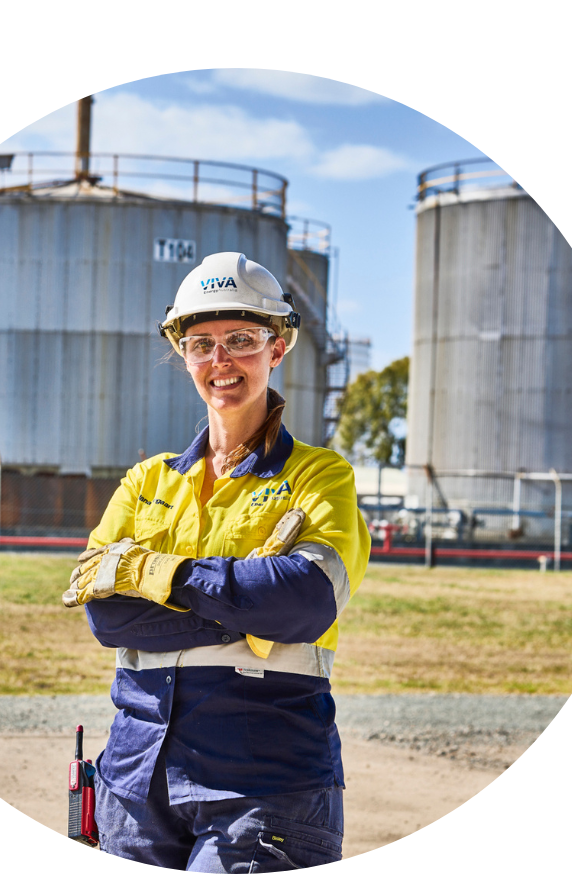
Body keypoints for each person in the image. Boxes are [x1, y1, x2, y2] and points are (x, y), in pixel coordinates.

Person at [62, 251, 370, 871]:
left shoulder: (319, 476)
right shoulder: (146, 481)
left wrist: (162, 574)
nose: (220, 360)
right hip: (135, 783)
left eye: (241, 340)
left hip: (262, 785)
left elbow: (305, 601)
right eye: (201, 343)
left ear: (277, 348)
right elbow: (107, 618)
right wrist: (248, 606)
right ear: (182, 352)